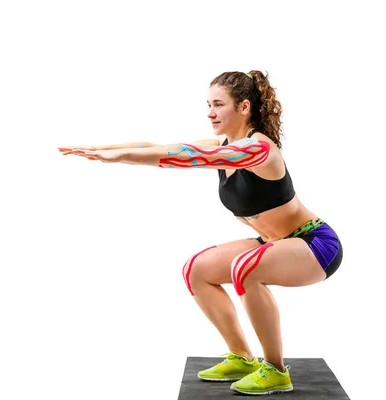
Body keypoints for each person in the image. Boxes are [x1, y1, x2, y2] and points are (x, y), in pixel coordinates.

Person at [59, 70, 343, 396]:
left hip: (315, 243)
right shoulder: (224, 145)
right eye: (208, 104)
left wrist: (120, 156)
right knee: (197, 270)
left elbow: (191, 158)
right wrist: (101, 149)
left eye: (218, 104)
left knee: (245, 267)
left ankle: (276, 371)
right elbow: (164, 147)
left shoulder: (259, 150)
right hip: (274, 242)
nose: (210, 112)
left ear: (244, 107)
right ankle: (242, 357)